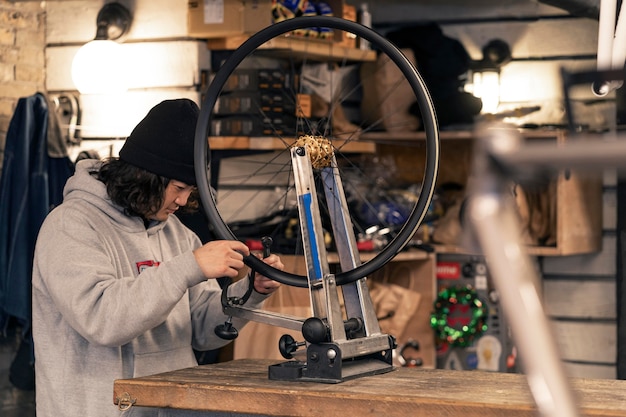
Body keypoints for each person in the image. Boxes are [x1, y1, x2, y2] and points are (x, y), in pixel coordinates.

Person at [31, 99, 283, 417]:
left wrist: (250, 292)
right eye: (178, 187)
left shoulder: (177, 234)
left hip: (171, 409)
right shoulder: (70, 226)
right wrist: (188, 267)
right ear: (144, 175)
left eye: (192, 189)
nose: (182, 200)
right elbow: (101, 320)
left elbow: (203, 333)